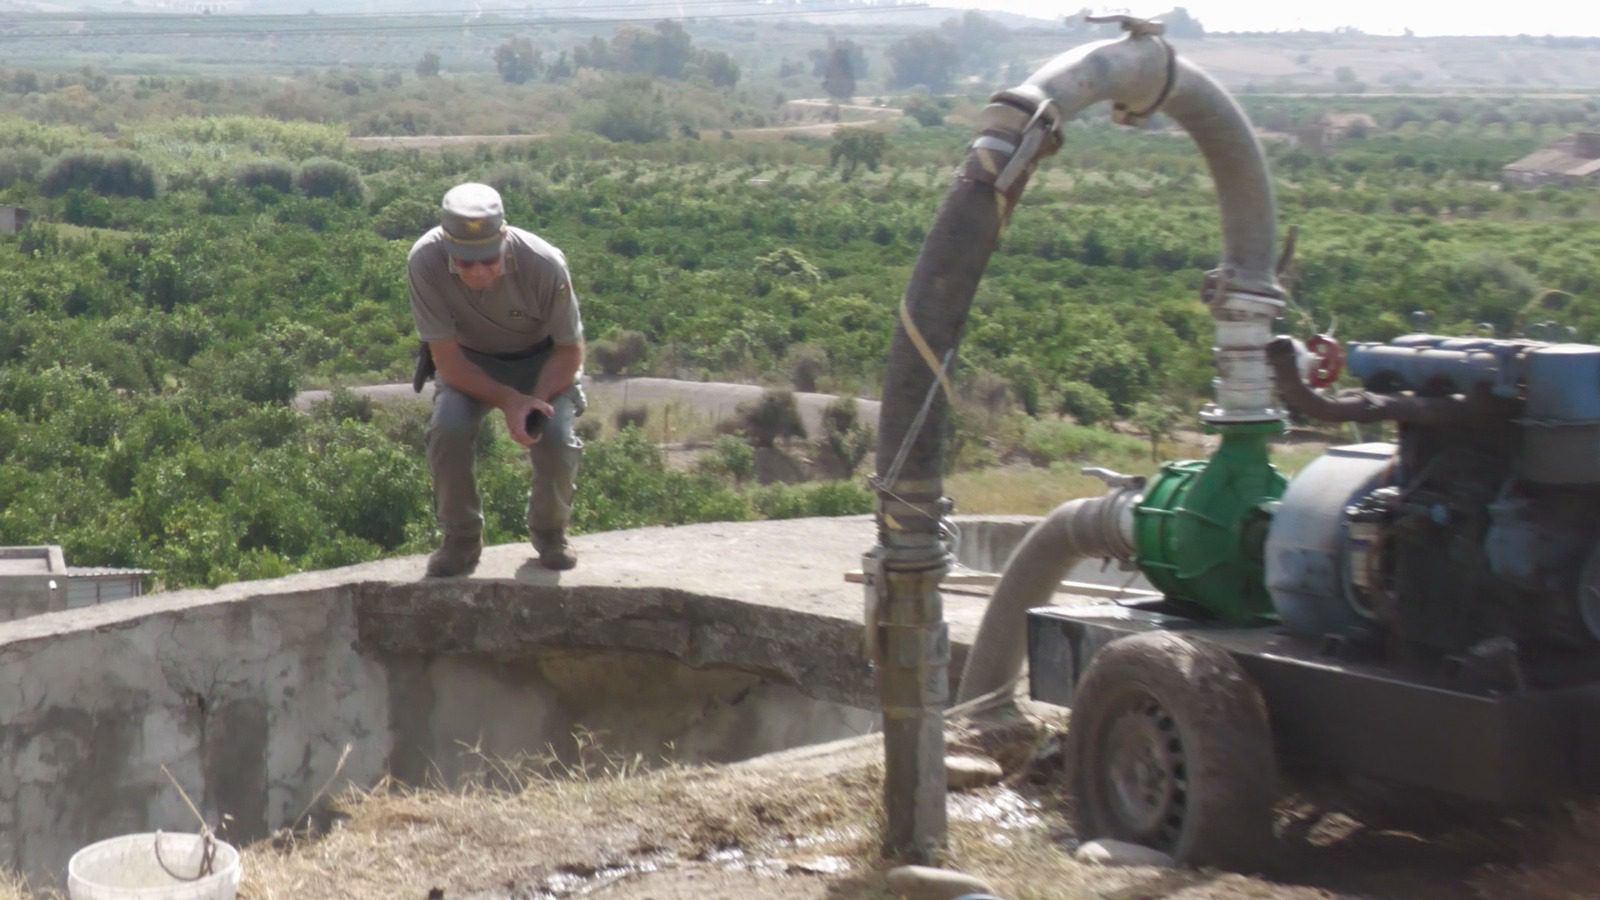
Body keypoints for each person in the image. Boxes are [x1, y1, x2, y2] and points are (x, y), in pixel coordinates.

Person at [408, 182, 585, 576]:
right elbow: (447, 360)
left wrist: (534, 402)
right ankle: (461, 539)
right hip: (469, 364)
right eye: (465, 262)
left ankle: (551, 532)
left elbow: (570, 350)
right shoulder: (425, 262)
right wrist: (508, 400)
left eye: (488, 259)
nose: (478, 272)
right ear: (447, 246)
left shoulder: (544, 264)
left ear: (504, 238)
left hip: (543, 363)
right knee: (448, 431)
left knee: (555, 438)